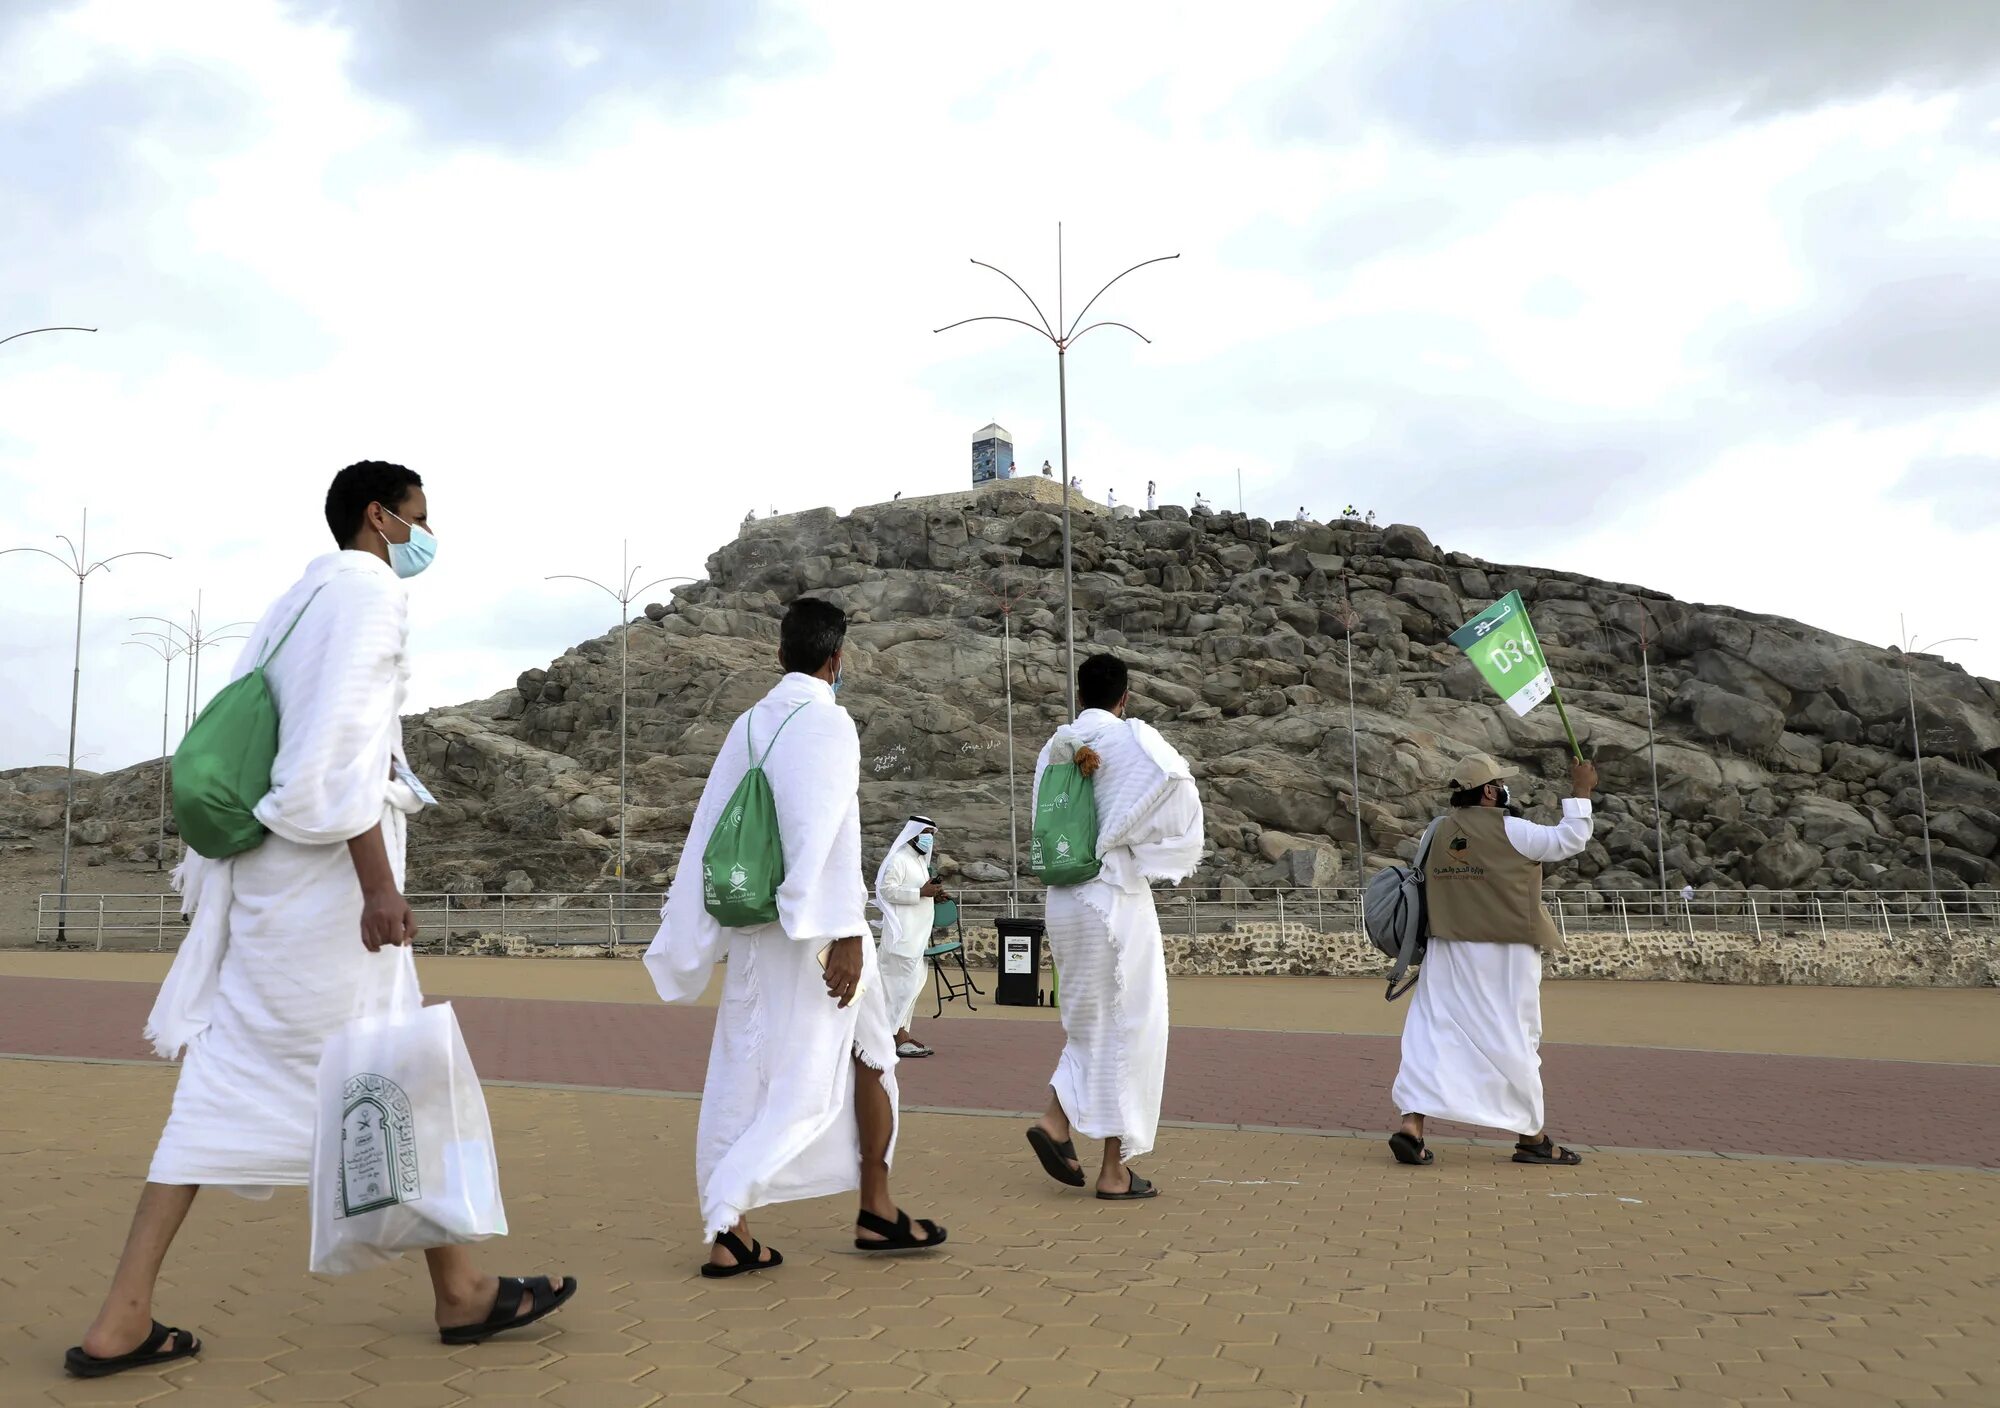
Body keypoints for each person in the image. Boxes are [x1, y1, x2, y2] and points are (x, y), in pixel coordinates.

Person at [69, 462, 575, 1381]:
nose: (428, 533)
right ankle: (460, 1293)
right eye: (420, 516)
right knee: (390, 1072)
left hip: (270, 890)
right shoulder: (369, 596)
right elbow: (331, 764)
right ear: (380, 518)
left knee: (240, 1083)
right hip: (327, 894)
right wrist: (379, 887)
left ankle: (120, 1318)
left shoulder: (297, 601)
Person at [644, 598, 945, 1276]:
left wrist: (696, 926)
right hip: (819, 933)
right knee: (807, 1079)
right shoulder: (829, 723)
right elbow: (827, 830)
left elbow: (709, 828)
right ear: (837, 660)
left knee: (790, 1062)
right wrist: (841, 933)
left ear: (779, 656)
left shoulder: (749, 723)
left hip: (757, 925)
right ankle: (730, 1210)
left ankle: (871, 1208)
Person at [1025, 654, 1205, 1200]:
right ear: (1124, 697)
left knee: (1091, 1023)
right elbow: (1178, 788)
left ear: (1080, 693)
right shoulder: (1131, 739)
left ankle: (1058, 1121)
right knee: (1134, 1026)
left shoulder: (1052, 748)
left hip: (1063, 900)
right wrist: (1147, 848)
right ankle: (1113, 1170)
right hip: (1111, 897)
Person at [1389, 754, 1597, 1169]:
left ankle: (1412, 1126)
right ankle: (1532, 1139)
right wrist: (1582, 789)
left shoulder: (1436, 832)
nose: (1506, 789)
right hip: (1506, 953)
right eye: (1502, 783)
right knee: (1512, 1037)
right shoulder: (1514, 830)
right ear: (1489, 791)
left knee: (1430, 1034)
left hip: (1447, 949)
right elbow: (1571, 839)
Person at [875, 815, 945, 1058]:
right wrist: (920, 892)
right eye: (926, 832)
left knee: (911, 988)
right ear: (912, 833)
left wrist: (932, 894)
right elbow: (886, 891)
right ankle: (895, 1036)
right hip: (900, 939)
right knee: (898, 990)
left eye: (932, 834)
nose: (929, 838)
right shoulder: (898, 859)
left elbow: (919, 892)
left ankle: (902, 1033)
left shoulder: (918, 862)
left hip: (917, 939)